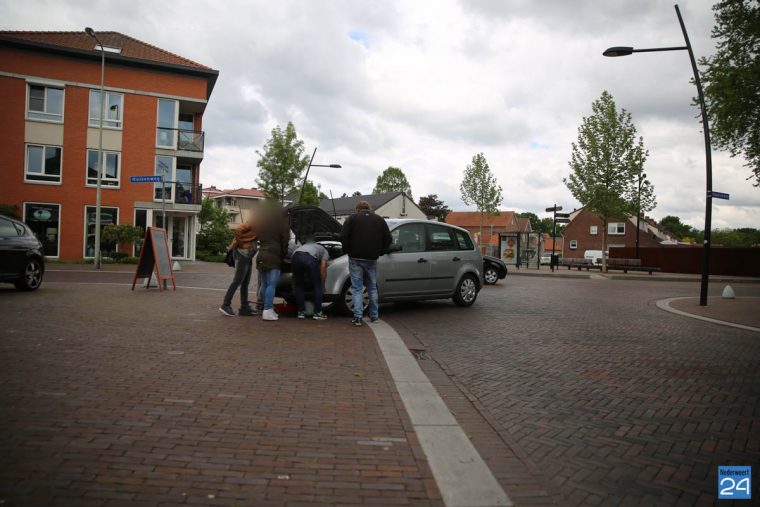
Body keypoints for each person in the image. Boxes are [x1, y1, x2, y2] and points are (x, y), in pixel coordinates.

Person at [340, 200, 392, 326]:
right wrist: (381, 252)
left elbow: (343, 236)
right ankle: (374, 315)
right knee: (372, 287)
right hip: (372, 259)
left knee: (357, 288)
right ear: (369, 209)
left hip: (355, 258)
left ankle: (358, 317)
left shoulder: (352, 219)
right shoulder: (379, 220)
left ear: (357, 209)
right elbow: (388, 239)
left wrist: (348, 251)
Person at [256, 204, 290, 321]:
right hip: (273, 257)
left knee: (265, 284)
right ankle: (268, 309)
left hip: (261, 255)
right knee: (272, 284)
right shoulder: (282, 224)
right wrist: (283, 256)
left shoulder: (265, 223)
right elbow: (285, 242)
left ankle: (266, 309)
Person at [220, 217, 258, 317]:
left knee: (245, 282)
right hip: (243, 254)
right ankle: (225, 304)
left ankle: (244, 308)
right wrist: (242, 244)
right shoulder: (254, 221)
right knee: (237, 280)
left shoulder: (260, 224)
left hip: (248, 255)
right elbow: (238, 230)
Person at [291, 235, 329, 320]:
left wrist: (293, 285)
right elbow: (323, 268)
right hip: (309, 258)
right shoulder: (324, 251)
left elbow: (294, 272)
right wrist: (323, 286)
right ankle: (318, 313)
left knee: (299, 285)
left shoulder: (302, 247)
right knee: (317, 285)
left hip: (295, 257)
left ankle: (301, 312)